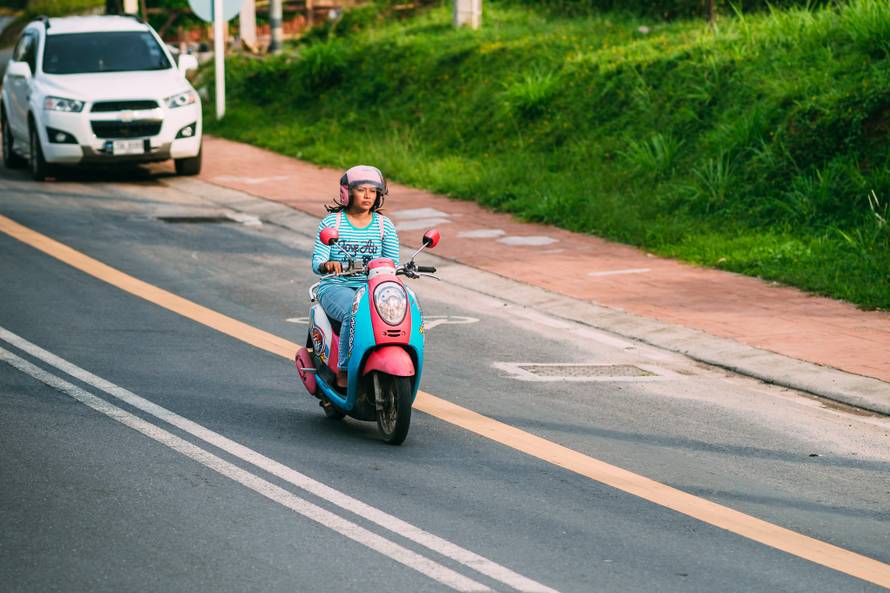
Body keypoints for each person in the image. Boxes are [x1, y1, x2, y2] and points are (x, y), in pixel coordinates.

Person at [312, 165, 400, 388]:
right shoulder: (332, 223)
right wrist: (327, 265)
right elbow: (317, 263)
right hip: (335, 286)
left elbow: (393, 262)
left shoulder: (384, 226)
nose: (368, 196)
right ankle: (344, 369)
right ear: (347, 193)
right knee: (354, 311)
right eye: (361, 190)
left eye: (373, 191)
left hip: (372, 288)